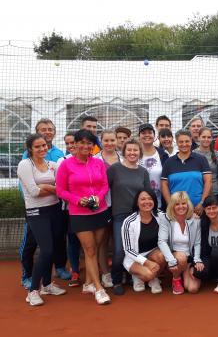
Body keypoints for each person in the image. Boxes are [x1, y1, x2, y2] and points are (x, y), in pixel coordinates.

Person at [56, 129, 112, 305]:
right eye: (82, 142)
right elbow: (60, 190)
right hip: (79, 214)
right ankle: (99, 288)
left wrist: (99, 197)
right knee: (89, 250)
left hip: (100, 210)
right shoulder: (66, 164)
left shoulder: (98, 163)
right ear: (75, 144)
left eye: (89, 143)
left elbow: (104, 184)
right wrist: (78, 200)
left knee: (95, 247)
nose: (86, 146)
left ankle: (88, 283)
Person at [18, 134, 67, 306]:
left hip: (55, 210)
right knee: (45, 251)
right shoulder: (25, 164)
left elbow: (63, 188)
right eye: (38, 146)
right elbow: (33, 192)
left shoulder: (53, 165)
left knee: (53, 250)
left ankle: (47, 285)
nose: (42, 149)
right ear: (30, 149)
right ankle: (33, 291)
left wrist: (46, 187)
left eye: (44, 145)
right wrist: (52, 188)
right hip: (36, 212)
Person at [106, 139, 151, 295]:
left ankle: (133, 275)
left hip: (138, 216)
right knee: (119, 250)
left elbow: (147, 195)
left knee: (136, 248)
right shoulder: (114, 169)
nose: (132, 153)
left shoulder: (143, 172)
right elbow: (104, 188)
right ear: (124, 152)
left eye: (135, 150)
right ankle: (117, 280)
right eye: (129, 150)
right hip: (119, 215)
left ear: (140, 152)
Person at [121, 189, 166, 294]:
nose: (147, 202)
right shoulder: (129, 222)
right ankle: (139, 277)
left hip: (153, 253)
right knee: (148, 274)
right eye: (143, 199)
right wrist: (146, 262)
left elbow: (175, 218)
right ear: (137, 202)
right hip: (134, 258)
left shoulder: (160, 215)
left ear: (154, 201)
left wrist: (193, 216)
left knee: (163, 255)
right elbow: (128, 250)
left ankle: (154, 278)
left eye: (150, 199)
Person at [158, 191, 202, 295]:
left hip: (188, 260)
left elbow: (197, 243)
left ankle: (185, 273)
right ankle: (176, 278)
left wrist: (197, 260)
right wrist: (171, 260)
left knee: (192, 289)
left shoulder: (195, 220)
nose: (181, 207)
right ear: (172, 206)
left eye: (183, 203)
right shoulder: (166, 220)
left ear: (188, 204)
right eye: (177, 204)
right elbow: (162, 241)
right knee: (181, 257)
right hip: (174, 257)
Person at [94, 129, 122, 289]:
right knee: (103, 240)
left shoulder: (123, 158)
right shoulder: (95, 160)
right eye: (106, 140)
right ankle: (105, 273)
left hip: (121, 205)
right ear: (101, 142)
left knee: (119, 240)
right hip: (103, 206)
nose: (110, 143)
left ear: (117, 142)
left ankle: (121, 271)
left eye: (112, 140)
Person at [161, 130, 212, 216]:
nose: (184, 144)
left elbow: (208, 181)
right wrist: (171, 205)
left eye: (187, 141)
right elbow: (164, 185)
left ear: (191, 141)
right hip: (177, 210)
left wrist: (202, 203)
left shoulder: (201, 159)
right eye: (181, 142)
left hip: (198, 209)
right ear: (176, 143)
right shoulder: (169, 162)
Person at [193, 196, 218, 293]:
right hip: (211, 256)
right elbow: (199, 244)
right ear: (205, 210)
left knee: (217, 251)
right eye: (208, 208)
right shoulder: (202, 224)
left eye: (214, 208)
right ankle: (217, 275)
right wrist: (197, 261)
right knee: (199, 272)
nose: (212, 211)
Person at [57, 132, 82, 287]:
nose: (71, 146)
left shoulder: (90, 160)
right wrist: (76, 200)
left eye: (73, 142)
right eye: (67, 143)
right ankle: (75, 270)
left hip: (88, 208)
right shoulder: (62, 161)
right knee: (72, 240)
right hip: (69, 209)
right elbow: (60, 188)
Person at [139, 123, 169, 210]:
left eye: (150, 132)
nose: (147, 135)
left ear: (154, 136)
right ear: (139, 136)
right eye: (143, 133)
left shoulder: (163, 154)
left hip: (160, 203)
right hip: (140, 203)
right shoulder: (134, 154)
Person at [194, 127, 218, 198]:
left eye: (209, 137)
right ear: (199, 138)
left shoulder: (217, 155)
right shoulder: (193, 154)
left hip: (214, 193)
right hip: (198, 192)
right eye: (203, 137)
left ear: (212, 138)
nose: (206, 139)